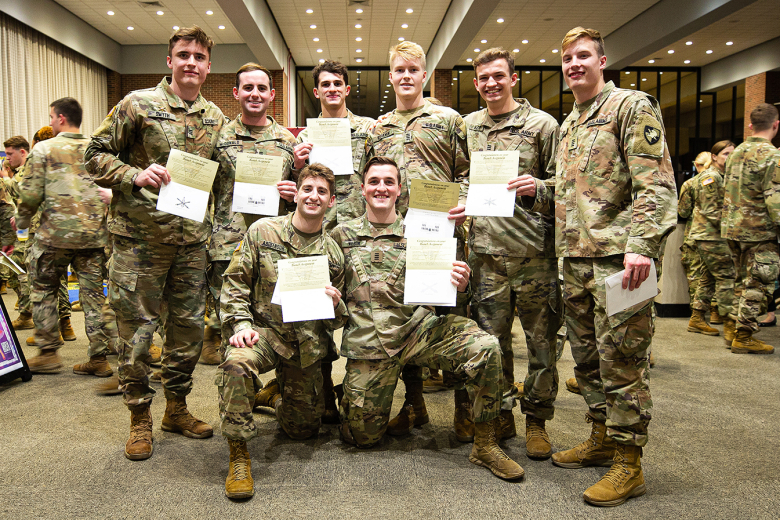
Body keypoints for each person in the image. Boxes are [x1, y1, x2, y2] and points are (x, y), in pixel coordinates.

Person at [332, 156, 523, 481]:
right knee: (360, 438)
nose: (381, 187)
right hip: (370, 343)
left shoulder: (423, 230)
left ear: (399, 189)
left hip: (420, 331)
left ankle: (485, 443)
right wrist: (330, 300)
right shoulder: (340, 235)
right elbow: (330, 302)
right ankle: (348, 397)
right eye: (374, 181)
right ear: (362, 189)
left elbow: (451, 296)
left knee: (485, 346)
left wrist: (460, 285)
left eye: (388, 182)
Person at [84, 26, 226, 460]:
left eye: (199, 57)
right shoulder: (137, 104)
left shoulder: (215, 117)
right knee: (137, 334)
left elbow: (222, 176)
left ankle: (176, 408)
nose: (191, 63)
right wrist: (133, 175)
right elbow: (93, 153)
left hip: (189, 244)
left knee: (185, 334)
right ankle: (139, 416)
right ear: (170, 60)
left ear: (207, 65)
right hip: (140, 243)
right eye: (183, 54)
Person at [552, 27, 677, 506]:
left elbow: (658, 184)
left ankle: (630, 464)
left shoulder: (631, 106)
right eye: (567, 58)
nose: (574, 64)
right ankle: (602, 438)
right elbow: (571, 193)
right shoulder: (572, 122)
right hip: (577, 261)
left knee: (623, 362)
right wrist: (530, 189)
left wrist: (642, 245)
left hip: (622, 264)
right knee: (587, 361)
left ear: (603, 61)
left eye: (583, 55)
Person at [217, 164, 347, 499]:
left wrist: (335, 306)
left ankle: (273, 396)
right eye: (308, 189)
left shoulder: (333, 252)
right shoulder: (264, 231)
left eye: (321, 191)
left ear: (331, 201)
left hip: (304, 346)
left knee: (302, 431)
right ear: (296, 193)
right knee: (235, 364)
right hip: (263, 334)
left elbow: (339, 319)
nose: (313, 196)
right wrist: (240, 324)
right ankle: (239, 454)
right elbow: (234, 282)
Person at [366, 40, 470, 439]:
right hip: (396, 239)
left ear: (424, 75)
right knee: (403, 318)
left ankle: (464, 409)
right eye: (399, 70)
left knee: (451, 316)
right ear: (390, 76)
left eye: (413, 70)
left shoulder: (447, 119)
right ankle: (414, 405)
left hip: (441, 236)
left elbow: (466, 172)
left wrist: (460, 202)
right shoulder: (379, 128)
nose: (406, 76)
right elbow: (370, 178)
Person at [464, 47, 562, 459]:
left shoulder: (542, 125)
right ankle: (501, 412)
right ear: (476, 83)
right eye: (484, 78)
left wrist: (535, 188)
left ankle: (536, 419)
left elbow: (565, 187)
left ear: (513, 78)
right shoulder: (467, 127)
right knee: (493, 343)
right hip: (486, 256)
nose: (491, 84)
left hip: (532, 255)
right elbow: (455, 175)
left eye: (498, 76)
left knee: (541, 344)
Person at [291, 60, 375, 423]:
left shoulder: (367, 130)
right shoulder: (303, 138)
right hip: (317, 234)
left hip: (357, 234)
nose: (331, 89)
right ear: (316, 91)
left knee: (360, 308)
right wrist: (296, 165)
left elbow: (379, 178)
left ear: (346, 88)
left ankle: (359, 386)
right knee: (318, 313)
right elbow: (294, 187)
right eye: (325, 84)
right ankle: (323, 389)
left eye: (337, 83)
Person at [204, 63, 299, 366]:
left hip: (276, 247)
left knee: (282, 323)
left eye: (261, 88)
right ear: (236, 93)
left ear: (272, 95)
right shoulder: (218, 138)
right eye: (248, 88)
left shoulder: (288, 141)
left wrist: (292, 192)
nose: (254, 94)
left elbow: (305, 195)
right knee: (232, 327)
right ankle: (236, 391)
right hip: (229, 246)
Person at [15, 97, 111, 374]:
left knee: (44, 289)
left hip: (54, 236)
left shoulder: (44, 148)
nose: (49, 122)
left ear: (60, 118)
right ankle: (99, 359)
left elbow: (31, 194)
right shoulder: (96, 149)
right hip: (93, 236)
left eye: (50, 117)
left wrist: (20, 221)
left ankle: (48, 353)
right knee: (94, 298)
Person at [721, 103, 780, 354]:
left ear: (750, 125)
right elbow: (775, 199)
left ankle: (732, 327)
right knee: (759, 283)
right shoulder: (773, 156)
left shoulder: (735, 152)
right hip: (760, 230)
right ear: (776, 125)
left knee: (740, 281)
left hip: (733, 227)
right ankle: (744, 336)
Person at [684, 141, 737, 338]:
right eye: (725, 154)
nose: (729, 158)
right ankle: (731, 326)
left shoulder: (722, 176)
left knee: (708, 277)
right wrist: (733, 231)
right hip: (711, 236)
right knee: (726, 277)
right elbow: (712, 211)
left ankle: (697, 318)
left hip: (713, 235)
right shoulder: (711, 178)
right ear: (714, 156)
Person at [678, 151, 712, 306]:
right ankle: (715, 312)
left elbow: (683, 212)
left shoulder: (690, 184)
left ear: (696, 165)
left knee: (696, 275)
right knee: (716, 274)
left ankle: (697, 315)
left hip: (695, 236)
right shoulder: (724, 181)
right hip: (719, 236)